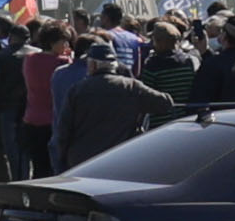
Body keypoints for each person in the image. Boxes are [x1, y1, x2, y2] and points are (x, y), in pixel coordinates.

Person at [48, 31, 171, 175]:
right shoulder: (131, 87)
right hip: (120, 161)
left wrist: (60, 163)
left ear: (92, 65)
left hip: (83, 163)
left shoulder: (77, 91)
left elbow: (63, 132)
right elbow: (165, 103)